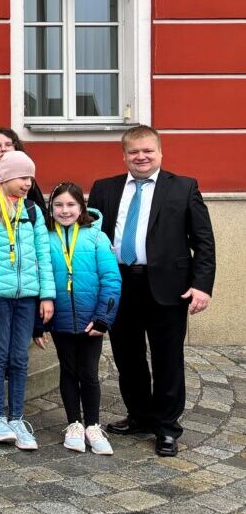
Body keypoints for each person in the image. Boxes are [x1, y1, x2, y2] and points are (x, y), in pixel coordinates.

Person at [90, 125, 215, 457]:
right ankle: (140, 416)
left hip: (167, 288)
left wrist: (201, 285)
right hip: (119, 285)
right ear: (124, 156)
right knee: (127, 357)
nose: (141, 157)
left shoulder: (184, 187)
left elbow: (203, 242)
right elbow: (92, 242)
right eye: (134, 152)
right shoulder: (104, 189)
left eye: (147, 151)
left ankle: (167, 427)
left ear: (160, 152)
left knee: (167, 360)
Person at [0, 151, 55, 451]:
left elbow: (44, 256)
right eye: (22, 177)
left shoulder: (32, 211)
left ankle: (17, 417)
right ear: (5, 178)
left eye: (31, 178)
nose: (28, 183)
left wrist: (47, 295)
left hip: (27, 297)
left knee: (20, 358)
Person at [35, 182, 121, 455]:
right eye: (58, 205)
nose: (64, 210)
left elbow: (111, 279)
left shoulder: (96, 237)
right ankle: (73, 423)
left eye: (71, 205)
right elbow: (38, 280)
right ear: (51, 208)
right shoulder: (45, 237)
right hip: (59, 318)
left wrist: (103, 318)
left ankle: (93, 425)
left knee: (89, 372)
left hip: (90, 320)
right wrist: (40, 324)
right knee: (68, 370)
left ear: (81, 207)